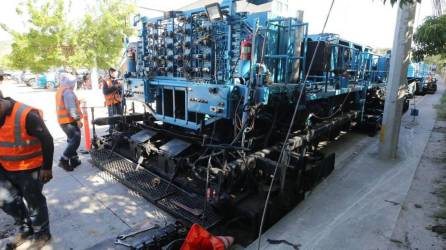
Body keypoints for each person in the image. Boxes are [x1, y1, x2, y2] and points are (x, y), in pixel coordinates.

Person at [0, 97, 54, 249]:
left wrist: (47, 167)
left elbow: (47, 139)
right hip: (3, 167)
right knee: (7, 201)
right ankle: (24, 228)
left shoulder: (26, 115)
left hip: (29, 168)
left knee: (34, 202)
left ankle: (42, 234)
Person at [56, 73, 83, 171]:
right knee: (75, 140)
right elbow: (70, 108)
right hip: (69, 121)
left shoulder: (61, 90)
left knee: (71, 139)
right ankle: (63, 160)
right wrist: (78, 120)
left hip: (63, 121)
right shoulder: (68, 92)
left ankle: (74, 160)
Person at [102, 68, 123, 132]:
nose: (116, 74)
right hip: (110, 102)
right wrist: (115, 87)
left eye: (116, 72)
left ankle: (119, 129)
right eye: (114, 72)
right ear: (111, 73)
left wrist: (120, 88)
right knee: (112, 118)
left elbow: (120, 91)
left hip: (117, 101)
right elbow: (105, 91)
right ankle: (111, 131)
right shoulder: (106, 81)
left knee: (120, 117)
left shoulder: (117, 80)